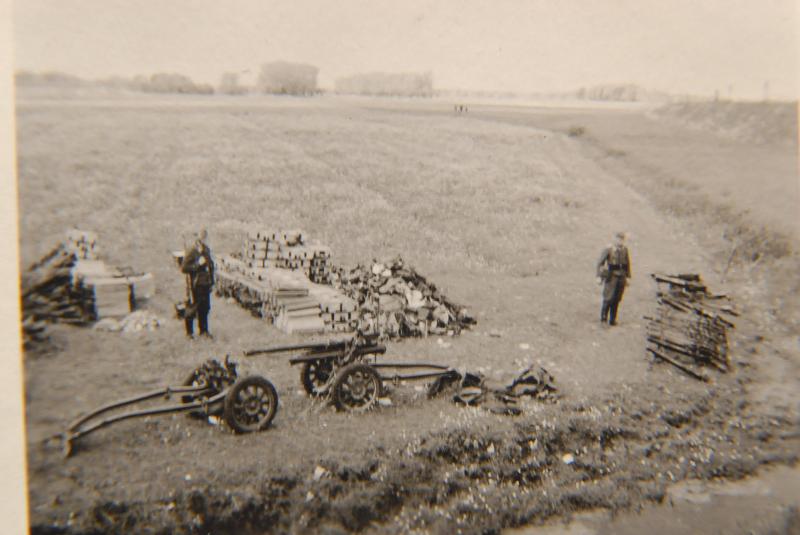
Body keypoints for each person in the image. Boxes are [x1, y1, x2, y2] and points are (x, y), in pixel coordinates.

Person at [181, 229, 215, 338]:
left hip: (205, 284)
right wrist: (197, 264)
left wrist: (211, 282)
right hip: (195, 285)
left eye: (205, 237)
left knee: (205, 308)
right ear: (198, 238)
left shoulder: (206, 250)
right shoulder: (191, 250)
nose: (203, 240)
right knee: (192, 308)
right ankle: (189, 333)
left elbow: (210, 266)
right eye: (201, 238)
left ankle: (204, 331)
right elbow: (184, 268)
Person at [596, 232, 631, 326]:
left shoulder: (625, 250)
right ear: (615, 239)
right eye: (619, 239)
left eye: (622, 240)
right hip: (611, 277)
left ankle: (612, 319)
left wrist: (628, 277)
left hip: (621, 277)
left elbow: (627, 264)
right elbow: (600, 263)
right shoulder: (609, 249)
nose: (620, 241)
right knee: (608, 297)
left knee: (617, 298)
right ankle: (603, 317)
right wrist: (599, 276)